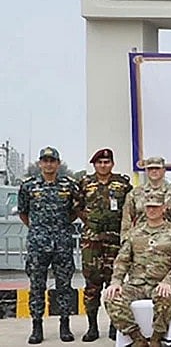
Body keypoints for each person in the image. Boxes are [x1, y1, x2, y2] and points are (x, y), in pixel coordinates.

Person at [104, 192, 171, 347]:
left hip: (162, 284)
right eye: (149, 207)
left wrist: (168, 282)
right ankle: (137, 338)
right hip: (137, 284)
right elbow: (122, 260)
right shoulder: (134, 233)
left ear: (163, 208)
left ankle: (157, 338)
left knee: (165, 297)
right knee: (111, 297)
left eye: (156, 207)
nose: (152, 210)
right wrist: (116, 281)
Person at [18, 146, 82, 344]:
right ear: (40, 163)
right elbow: (23, 212)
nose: (48, 164)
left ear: (58, 163)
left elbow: (75, 211)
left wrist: (60, 227)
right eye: (45, 161)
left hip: (62, 243)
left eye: (52, 161)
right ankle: (37, 327)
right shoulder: (28, 186)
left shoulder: (69, 185)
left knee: (64, 286)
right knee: (37, 286)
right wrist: (39, 230)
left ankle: (65, 326)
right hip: (38, 244)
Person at [78, 148, 133, 342]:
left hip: (115, 242)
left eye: (107, 162)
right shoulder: (85, 183)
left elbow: (130, 209)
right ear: (94, 165)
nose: (103, 165)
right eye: (100, 162)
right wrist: (93, 223)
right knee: (92, 285)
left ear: (112, 164)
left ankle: (114, 325)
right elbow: (77, 208)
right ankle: (92, 327)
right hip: (91, 243)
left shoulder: (122, 184)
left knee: (114, 284)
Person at [121, 156, 171, 239]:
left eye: (157, 168)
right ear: (146, 171)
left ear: (164, 171)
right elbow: (126, 223)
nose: (154, 171)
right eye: (150, 168)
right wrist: (125, 242)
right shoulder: (135, 194)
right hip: (141, 243)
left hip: (167, 243)